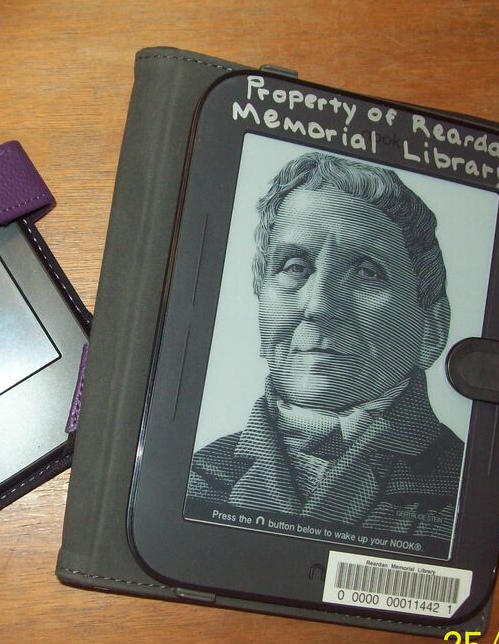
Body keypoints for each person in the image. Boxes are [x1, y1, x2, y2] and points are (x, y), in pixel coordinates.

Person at [188, 151, 463, 546]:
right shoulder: (199, 477)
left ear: (431, 329)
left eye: (366, 272)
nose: (318, 305)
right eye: (295, 267)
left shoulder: (462, 493)